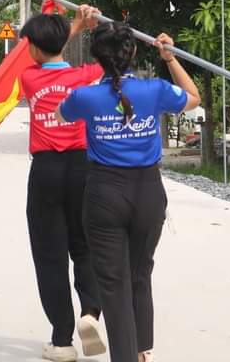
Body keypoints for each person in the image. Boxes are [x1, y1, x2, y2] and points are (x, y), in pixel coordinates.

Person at [58, 23, 200, 362]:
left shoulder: (86, 96)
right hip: (148, 192)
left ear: (97, 58)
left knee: (113, 283)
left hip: (105, 193)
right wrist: (170, 58)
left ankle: (127, 356)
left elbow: (62, 110)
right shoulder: (155, 89)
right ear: (133, 52)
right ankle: (141, 352)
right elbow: (193, 98)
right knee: (140, 274)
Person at [19, 5, 106, 362]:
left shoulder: (29, 78)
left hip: (46, 171)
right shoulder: (87, 76)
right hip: (83, 168)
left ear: (35, 48)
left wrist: (73, 25)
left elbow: (49, 49)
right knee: (85, 246)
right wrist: (92, 25)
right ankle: (90, 313)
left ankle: (61, 341)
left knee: (50, 254)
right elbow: (111, 55)